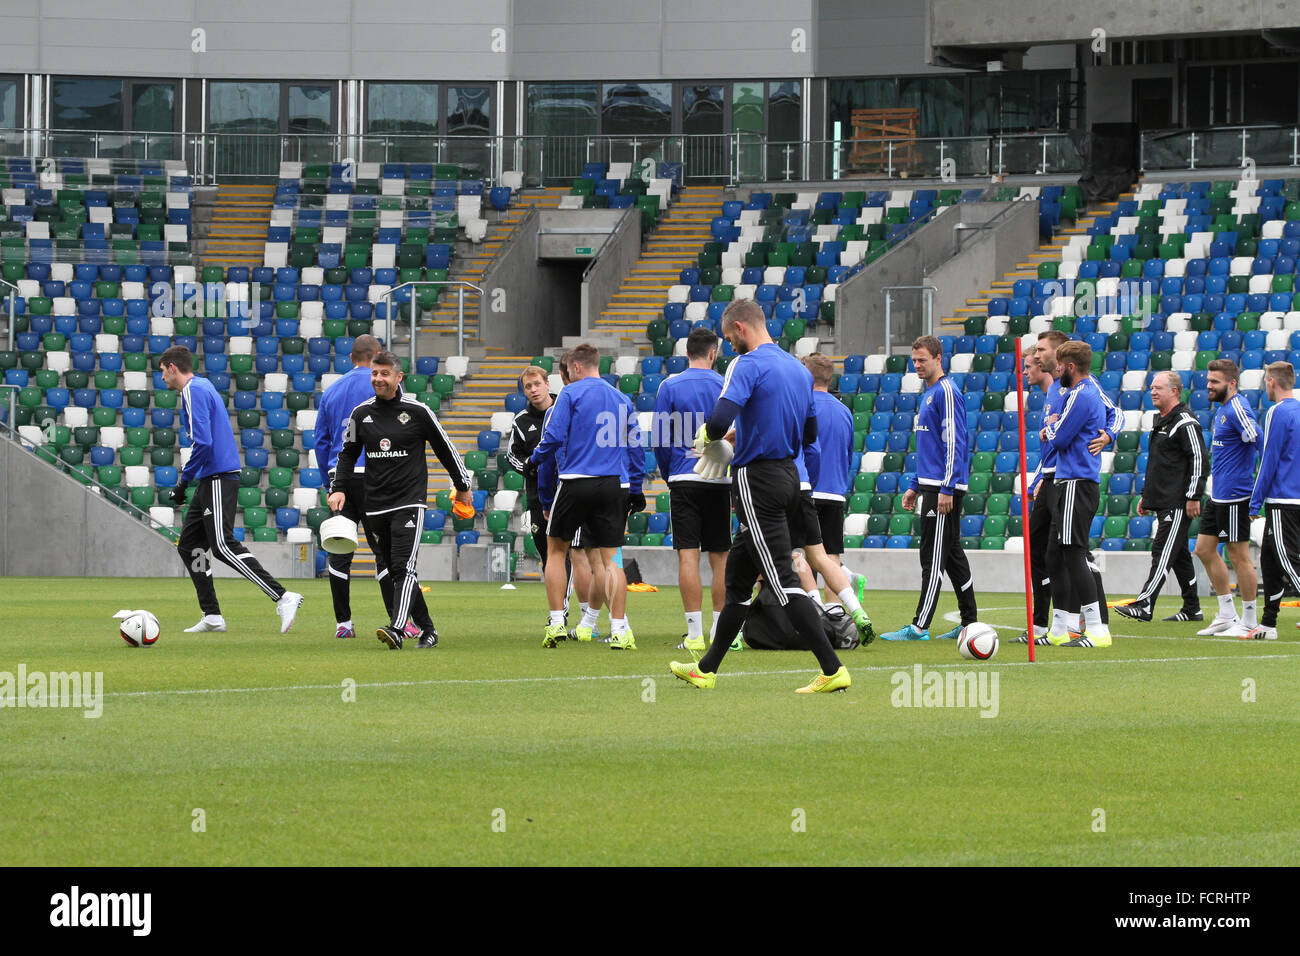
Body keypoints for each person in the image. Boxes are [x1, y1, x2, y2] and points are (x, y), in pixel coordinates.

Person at [668, 299, 849, 693]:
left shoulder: (749, 365)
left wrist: (708, 439)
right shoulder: (798, 371)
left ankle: (833, 669)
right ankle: (706, 668)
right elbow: (810, 436)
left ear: (739, 327)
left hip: (757, 480)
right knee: (738, 579)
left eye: (730, 336)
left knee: (782, 580)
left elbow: (717, 422)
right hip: (788, 474)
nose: (730, 344)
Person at [327, 350, 473, 650]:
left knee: (403, 567)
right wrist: (338, 487)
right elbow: (347, 454)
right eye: (375, 374)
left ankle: (396, 628)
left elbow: (445, 448)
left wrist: (462, 485)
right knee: (395, 570)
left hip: (409, 501)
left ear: (398, 377)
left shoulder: (418, 411)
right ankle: (428, 630)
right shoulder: (359, 414)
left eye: (384, 374)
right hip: (375, 503)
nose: (378, 379)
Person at [161, 345, 303, 634]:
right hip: (211, 477)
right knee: (189, 545)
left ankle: (283, 596)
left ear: (173, 368)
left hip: (217, 475)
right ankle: (212, 615)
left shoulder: (192, 391)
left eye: (162, 371)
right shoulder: (203, 386)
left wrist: (182, 481)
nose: (162, 378)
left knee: (223, 546)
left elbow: (203, 442)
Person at [530, 342, 641, 650]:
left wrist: (534, 460)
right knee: (610, 561)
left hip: (576, 480)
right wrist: (636, 488)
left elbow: (553, 436)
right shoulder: (621, 397)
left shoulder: (570, 393)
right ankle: (619, 629)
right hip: (613, 484)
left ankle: (555, 624)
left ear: (576, 367)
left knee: (556, 551)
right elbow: (635, 446)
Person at [313, 334, 419, 641]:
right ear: (377, 357)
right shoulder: (385, 386)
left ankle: (343, 624)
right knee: (383, 553)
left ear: (350, 358)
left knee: (340, 549)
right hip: (377, 475)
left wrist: (329, 482)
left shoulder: (332, 391)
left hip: (340, 477)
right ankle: (398, 620)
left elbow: (321, 441)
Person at [880, 336, 977, 641]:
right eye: (914, 360)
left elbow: (955, 444)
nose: (917, 365)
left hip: (942, 490)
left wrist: (947, 488)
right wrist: (914, 486)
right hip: (932, 486)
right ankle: (969, 621)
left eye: (922, 359)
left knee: (932, 557)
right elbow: (929, 448)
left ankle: (919, 627)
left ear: (938, 358)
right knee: (951, 556)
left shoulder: (946, 392)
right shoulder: (930, 394)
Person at [651, 327, 729, 654]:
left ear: (687, 352)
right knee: (720, 556)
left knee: (688, 555)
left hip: (684, 477)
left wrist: (671, 474)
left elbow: (659, 437)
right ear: (713, 352)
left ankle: (695, 634)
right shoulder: (727, 385)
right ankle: (724, 632)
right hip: (720, 477)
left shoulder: (669, 385)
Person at [1115, 370, 1206, 623]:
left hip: (1177, 501)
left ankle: (1144, 604)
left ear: (1175, 391)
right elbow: (1159, 465)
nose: (1152, 392)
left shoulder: (1184, 421)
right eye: (1152, 388)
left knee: (1162, 551)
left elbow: (1199, 459)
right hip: (1164, 499)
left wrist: (1193, 495)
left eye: (1159, 388)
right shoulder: (1163, 422)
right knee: (1177, 555)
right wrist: (1147, 495)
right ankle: (1192, 608)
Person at [795, 352, 874, 641]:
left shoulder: (804, 405)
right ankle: (836, 613)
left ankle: (814, 611)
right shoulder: (844, 411)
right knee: (831, 554)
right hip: (835, 490)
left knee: (800, 553)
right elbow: (847, 453)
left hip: (808, 488)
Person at [1038, 340, 1111, 647]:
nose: (1057, 371)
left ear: (1069, 367)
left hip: (1076, 483)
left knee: (1073, 553)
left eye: (1059, 366)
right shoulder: (1080, 394)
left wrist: (1049, 427)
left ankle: (1096, 629)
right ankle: (1058, 628)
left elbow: (1061, 437)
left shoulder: (1083, 395)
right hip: (1069, 482)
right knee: (1054, 554)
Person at [1192, 359, 1259, 637]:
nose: (1209, 386)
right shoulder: (1223, 410)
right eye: (1208, 381)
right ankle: (1226, 613)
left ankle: (1250, 620)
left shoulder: (1238, 408)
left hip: (1235, 495)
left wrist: (1259, 487)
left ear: (1231, 383)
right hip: (1217, 495)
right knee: (1204, 549)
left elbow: (1257, 437)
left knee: (1238, 555)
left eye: (1215, 382)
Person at [1246, 361, 1300, 640]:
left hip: (1284, 499)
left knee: (1287, 558)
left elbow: (1269, 459)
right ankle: (1268, 624)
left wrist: (1255, 503)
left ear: (1272, 382)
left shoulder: (1277, 412)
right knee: (1269, 559)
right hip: (1296, 498)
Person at [507, 364, 556, 570]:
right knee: (547, 555)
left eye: (537, 384)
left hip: (569, 491)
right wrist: (530, 466)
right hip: (537, 496)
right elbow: (512, 455)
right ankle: (558, 603)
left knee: (576, 553)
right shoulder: (521, 420)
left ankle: (583, 603)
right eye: (528, 386)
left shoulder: (565, 410)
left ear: (547, 384)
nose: (533, 390)